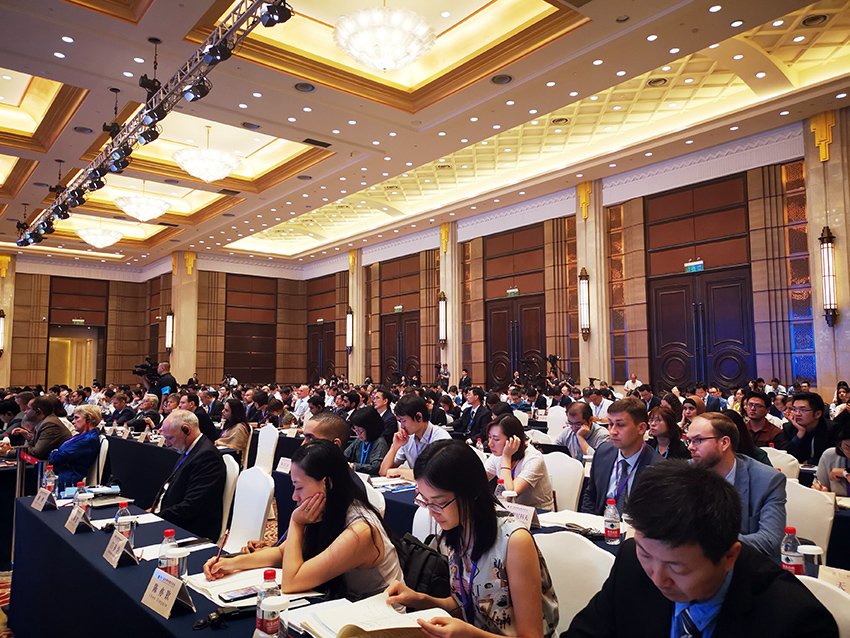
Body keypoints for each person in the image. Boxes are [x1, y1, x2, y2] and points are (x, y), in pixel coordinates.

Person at [565, 462, 838, 638]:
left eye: (676, 567)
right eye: (646, 555)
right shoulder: (631, 562)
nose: (658, 578)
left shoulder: (796, 621)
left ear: (729, 556)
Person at [386, 439, 559, 637]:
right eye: (425, 500)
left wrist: (469, 634)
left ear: (472, 492)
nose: (431, 512)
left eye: (438, 503)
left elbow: (532, 635)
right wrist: (419, 599)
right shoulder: (458, 528)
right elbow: (464, 605)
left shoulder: (514, 541)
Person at [205, 440, 403, 600]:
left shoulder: (361, 531)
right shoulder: (326, 510)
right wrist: (232, 563)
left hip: (378, 620)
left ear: (327, 483)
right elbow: (281, 553)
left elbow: (292, 582)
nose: (294, 496)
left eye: (299, 487)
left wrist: (296, 523)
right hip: (341, 607)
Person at [687, 413, 786, 557]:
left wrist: (707, 542)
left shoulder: (768, 481)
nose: (690, 447)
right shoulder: (684, 473)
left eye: (698, 440)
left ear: (724, 443)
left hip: (742, 563)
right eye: (689, 441)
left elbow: (771, 541)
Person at [150, 409, 227, 540]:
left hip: (190, 529)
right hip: (173, 519)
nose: (167, 444)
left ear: (186, 430)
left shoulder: (207, 456)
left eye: (170, 438)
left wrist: (155, 518)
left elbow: (192, 506)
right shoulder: (191, 449)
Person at [580, 398, 662, 516]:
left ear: (641, 428)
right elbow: (591, 495)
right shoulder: (603, 453)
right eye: (610, 424)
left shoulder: (658, 468)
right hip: (600, 523)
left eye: (620, 425)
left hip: (635, 526)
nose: (612, 431)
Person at [484, 414, 554, 509]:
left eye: (496, 439)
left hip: (538, 512)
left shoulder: (534, 458)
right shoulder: (497, 455)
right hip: (509, 510)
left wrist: (506, 456)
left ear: (513, 440)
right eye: (489, 437)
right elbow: (478, 481)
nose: (490, 443)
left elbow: (509, 493)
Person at [380, 394, 451, 479]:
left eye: (404, 421)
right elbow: (383, 472)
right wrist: (394, 447)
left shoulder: (441, 438)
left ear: (419, 417)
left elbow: (434, 476)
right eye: (400, 421)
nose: (402, 426)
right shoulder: (407, 438)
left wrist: (399, 471)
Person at [47, 404, 101, 491]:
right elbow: (59, 452)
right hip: (62, 473)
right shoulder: (80, 436)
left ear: (88, 418)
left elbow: (57, 458)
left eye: (76, 418)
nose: (73, 421)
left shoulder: (89, 439)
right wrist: (58, 453)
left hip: (69, 479)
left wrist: (56, 453)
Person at [1, 396, 71, 460]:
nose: (25, 411)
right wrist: (10, 448)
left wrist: (8, 452)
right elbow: (32, 446)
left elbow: (36, 453)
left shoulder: (50, 425)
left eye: (28, 408)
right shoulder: (44, 422)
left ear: (38, 411)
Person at [782, 391, 836, 465]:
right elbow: (784, 456)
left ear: (817, 414)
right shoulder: (788, 428)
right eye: (794, 409)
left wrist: (811, 462)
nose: (797, 414)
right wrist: (800, 434)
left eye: (803, 410)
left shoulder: (832, 429)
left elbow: (834, 457)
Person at [344, 407, 390, 475]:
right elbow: (345, 455)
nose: (357, 434)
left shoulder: (380, 442)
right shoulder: (359, 441)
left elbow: (375, 467)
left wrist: (354, 466)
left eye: (360, 431)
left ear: (371, 429)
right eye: (355, 430)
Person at [814, 421, 850, 496]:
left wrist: (844, 472)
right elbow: (820, 484)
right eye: (847, 447)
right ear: (840, 443)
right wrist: (819, 489)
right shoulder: (830, 455)